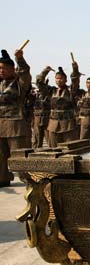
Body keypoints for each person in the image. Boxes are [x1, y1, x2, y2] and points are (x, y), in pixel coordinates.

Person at [0, 49, 32, 187]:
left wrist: (20, 59)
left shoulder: (19, 84)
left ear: (12, 69)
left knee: (19, 154)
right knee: (1, 156)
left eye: (4, 68)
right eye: (0, 69)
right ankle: (2, 178)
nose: (1, 71)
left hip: (15, 124)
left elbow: (25, 73)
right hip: (0, 124)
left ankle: (30, 180)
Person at [36, 63, 81, 147]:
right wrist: (45, 71)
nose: (58, 80)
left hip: (68, 125)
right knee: (54, 149)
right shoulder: (51, 91)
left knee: (70, 149)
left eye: (61, 78)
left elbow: (75, 81)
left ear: (65, 80)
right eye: (57, 78)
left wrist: (75, 70)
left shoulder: (70, 91)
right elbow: (39, 83)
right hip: (53, 125)